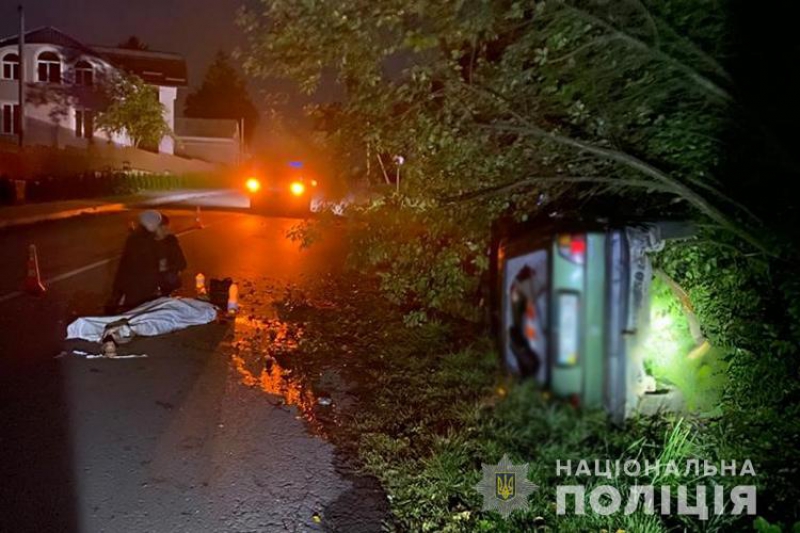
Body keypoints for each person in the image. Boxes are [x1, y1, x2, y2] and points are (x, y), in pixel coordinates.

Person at [108, 210, 162, 314]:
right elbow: (148, 264)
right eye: (157, 223)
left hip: (132, 283)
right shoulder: (148, 240)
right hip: (140, 284)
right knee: (137, 311)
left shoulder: (136, 237)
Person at [154, 214, 187, 296]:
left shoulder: (170, 243)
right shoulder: (148, 243)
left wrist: (167, 268)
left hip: (167, 283)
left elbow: (182, 264)